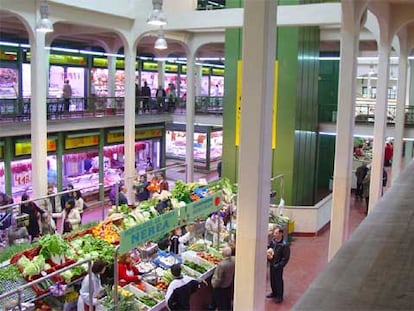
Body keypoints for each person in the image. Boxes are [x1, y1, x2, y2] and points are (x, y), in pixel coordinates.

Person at [266, 226, 290, 304]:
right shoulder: (273, 241)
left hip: (278, 266)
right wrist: (269, 253)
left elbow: (285, 258)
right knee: (272, 279)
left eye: (276, 233)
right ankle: (274, 292)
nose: (274, 234)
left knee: (278, 280)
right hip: (272, 263)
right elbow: (270, 248)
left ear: (281, 234)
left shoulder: (284, 245)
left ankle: (279, 296)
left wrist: (280, 265)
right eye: (274, 233)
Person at [211, 246, 235, 311]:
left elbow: (218, 278)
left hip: (221, 288)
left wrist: (213, 284)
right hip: (229, 285)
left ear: (223, 254)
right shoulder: (234, 260)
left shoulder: (222, 265)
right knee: (227, 303)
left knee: (221, 305)